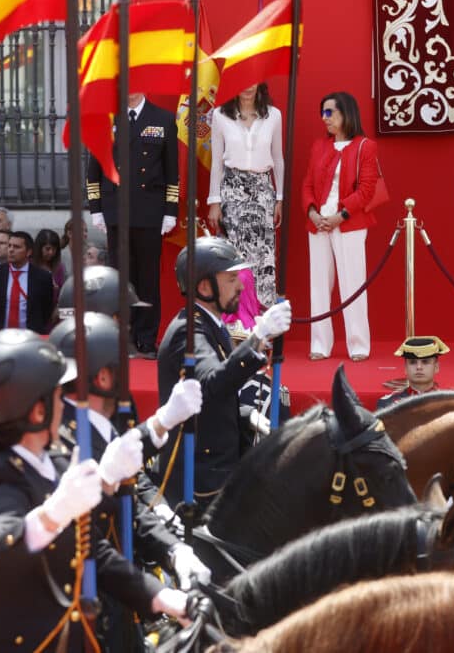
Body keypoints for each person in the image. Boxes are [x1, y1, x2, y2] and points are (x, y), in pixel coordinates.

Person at [0, 329, 188, 651]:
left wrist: (162, 597)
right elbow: (0, 555)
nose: (64, 404)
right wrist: (54, 514)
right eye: (57, 396)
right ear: (38, 412)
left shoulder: (51, 466)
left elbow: (94, 552)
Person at [48, 312, 209, 650]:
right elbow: (82, 536)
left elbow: (130, 504)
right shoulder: (66, 441)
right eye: (122, 364)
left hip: (123, 599)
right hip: (90, 615)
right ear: (104, 377)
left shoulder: (98, 428)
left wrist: (173, 549)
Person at [157, 236, 292, 512]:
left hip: (221, 462)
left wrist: (247, 416)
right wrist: (259, 336)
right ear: (205, 287)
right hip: (202, 479)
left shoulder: (211, 325)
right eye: (231, 279)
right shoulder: (188, 332)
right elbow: (210, 386)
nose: (241, 286)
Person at [86, 92, 179, 359]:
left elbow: (172, 171)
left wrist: (170, 211)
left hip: (150, 211)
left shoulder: (162, 119)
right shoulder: (106, 119)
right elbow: (93, 170)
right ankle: (122, 339)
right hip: (117, 211)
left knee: (148, 279)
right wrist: (96, 210)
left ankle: (146, 340)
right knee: (120, 280)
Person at [301, 91, 377, 362]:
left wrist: (340, 215)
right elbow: (308, 183)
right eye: (323, 113)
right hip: (319, 224)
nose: (325, 118)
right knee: (319, 285)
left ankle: (358, 345)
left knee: (352, 283)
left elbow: (367, 190)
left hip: (349, 223)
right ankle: (320, 344)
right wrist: (312, 212)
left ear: (347, 113)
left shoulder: (364, 146)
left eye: (330, 112)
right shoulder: (319, 146)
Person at [207, 83, 284, 308]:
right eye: (243, 81)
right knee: (237, 258)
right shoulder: (220, 116)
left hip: (263, 192)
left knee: (264, 257)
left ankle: (263, 324)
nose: (248, 87)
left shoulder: (274, 115)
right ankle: (238, 320)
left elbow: (278, 158)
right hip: (233, 192)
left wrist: (280, 197)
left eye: (254, 82)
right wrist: (214, 201)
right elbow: (216, 162)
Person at [0, 230, 54, 333]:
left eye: (16, 247)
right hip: (0, 336)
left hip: (30, 337)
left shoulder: (43, 277)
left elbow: (46, 309)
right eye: (9, 246)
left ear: (29, 252)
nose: (11, 250)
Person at [376, 336, 450, 409]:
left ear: (436, 367)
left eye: (425, 362)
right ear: (405, 368)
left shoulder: (450, 404)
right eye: (412, 362)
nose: (419, 367)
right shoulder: (388, 404)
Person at [33, 227, 67, 306]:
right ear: (39, 248)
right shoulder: (29, 264)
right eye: (47, 249)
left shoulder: (59, 268)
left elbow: (62, 294)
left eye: (54, 249)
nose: (51, 252)